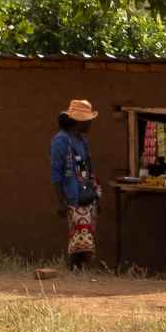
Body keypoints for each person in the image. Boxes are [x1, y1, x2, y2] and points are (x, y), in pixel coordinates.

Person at [48, 99, 100, 269]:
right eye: (88, 119)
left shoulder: (82, 140)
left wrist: (96, 194)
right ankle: (75, 273)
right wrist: (60, 201)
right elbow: (56, 173)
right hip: (73, 197)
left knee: (86, 238)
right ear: (79, 120)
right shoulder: (61, 140)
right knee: (78, 240)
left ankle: (80, 273)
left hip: (87, 195)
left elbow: (87, 168)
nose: (91, 123)